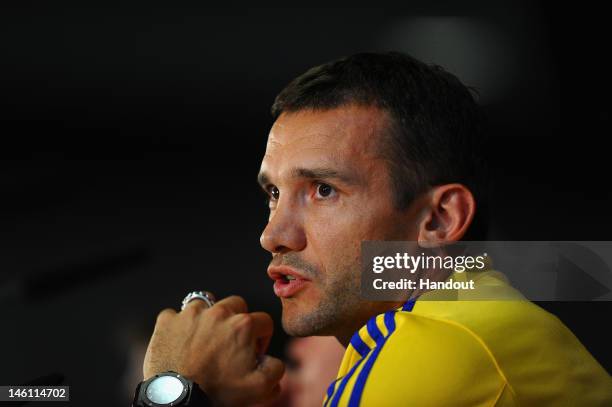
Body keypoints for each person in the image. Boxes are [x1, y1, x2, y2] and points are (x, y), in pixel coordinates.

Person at [138, 52, 612, 406]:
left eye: (323, 190)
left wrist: (173, 388)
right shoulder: (461, 320)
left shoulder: (445, 343)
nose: (273, 235)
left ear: (438, 220)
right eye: (274, 194)